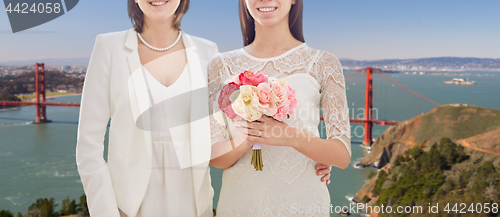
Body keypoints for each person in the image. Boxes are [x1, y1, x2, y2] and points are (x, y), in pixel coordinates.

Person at [76, 0, 331, 216]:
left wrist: (309, 156)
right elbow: (88, 148)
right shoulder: (108, 48)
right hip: (128, 207)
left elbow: (235, 130)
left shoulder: (209, 54)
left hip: (195, 205)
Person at [208, 0, 351, 216]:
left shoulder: (324, 63)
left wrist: (290, 136)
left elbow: (342, 155)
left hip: (303, 204)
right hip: (239, 205)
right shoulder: (219, 65)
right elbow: (215, 157)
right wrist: (247, 138)